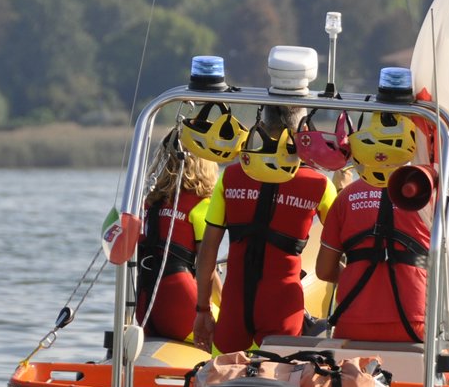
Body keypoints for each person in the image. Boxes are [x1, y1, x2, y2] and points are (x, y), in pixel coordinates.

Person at [192, 106, 336, 354]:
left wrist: (203, 309)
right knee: (280, 383)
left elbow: (207, 253)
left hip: (234, 309)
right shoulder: (319, 184)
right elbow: (341, 245)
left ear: (262, 127)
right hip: (283, 308)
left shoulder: (231, 177)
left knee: (221, 381)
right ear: (302, 132)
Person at [315, 113, 431, 343]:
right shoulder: (429, 195)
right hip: (413, 319)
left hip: (352, 320)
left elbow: (324, 270)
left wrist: (356, 270)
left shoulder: (346, 197)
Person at [134, 130, 218, 342]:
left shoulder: (149, 203)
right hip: (182, 308)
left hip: (145, 311)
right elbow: (206, 270)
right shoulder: (202, 205)